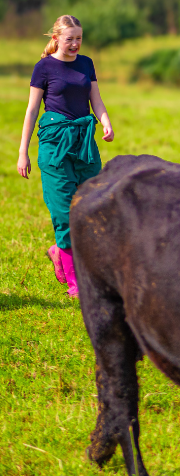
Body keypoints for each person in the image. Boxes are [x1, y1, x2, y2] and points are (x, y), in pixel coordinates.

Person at [17, 15, 115, 298]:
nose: (75, 44)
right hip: (54, 143)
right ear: (56, 38)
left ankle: (59, 251)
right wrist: (23, 152)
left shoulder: (86, 63)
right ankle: (75, 282)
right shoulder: (44, 67)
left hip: (84, 142)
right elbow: (32, 111)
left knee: (92, 206)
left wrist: (105, 120)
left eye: (79, 39)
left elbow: (95, 98)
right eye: (69, 39)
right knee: (63, 212)